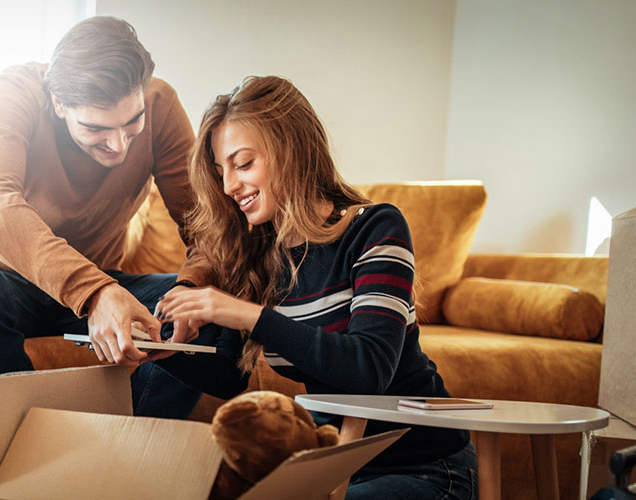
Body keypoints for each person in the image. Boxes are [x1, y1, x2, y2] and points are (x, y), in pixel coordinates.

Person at [154, 76, 478, 499]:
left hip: (427, 465)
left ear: (291, 151)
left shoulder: (375, 228)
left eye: (244, 163)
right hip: (336, 469)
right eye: (222, 172)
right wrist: (164, 352)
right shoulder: (258, 252)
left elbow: (369, 370)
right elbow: (228, 377)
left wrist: (241, 312)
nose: (230, 185)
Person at [0, 16, 216, 418]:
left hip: (92, 288)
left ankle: (122, 447)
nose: (119, 146)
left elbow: (206, 228)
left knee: (210, 308)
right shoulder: (15, 91)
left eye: (131, 123)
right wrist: (96, 292)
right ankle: (25, 454)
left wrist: (189, 290)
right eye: (96, 128)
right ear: (58, 103)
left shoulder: (160, 103)